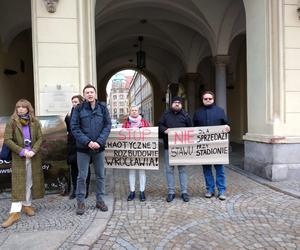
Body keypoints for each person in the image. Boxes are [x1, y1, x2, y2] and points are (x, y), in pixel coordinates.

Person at [1, 99, 44, 228]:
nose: (20, 109)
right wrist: (21, 151)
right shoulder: (12, 122)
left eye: (23, 107)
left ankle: (27, 205)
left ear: (28, 108)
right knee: (18, 184)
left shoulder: (35, 122)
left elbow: (40, 138)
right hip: (19, 157)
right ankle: (14, 213)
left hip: (33, 157)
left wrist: (34, 150)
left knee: (29, 182)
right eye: (18, 107)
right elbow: (8, 140)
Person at [71, 84, 112, 215]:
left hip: (98, 148)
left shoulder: (102, 108)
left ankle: (100, 200)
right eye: (87, 92)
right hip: (83, 148)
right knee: (82, 176)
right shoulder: (78, 109)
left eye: (91, 92)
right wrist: (88, 142)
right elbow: (74, 128)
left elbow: (107, 125)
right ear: (84, 95)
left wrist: (99, 142)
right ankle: (81, 202)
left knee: (100, 175)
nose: (89, 94)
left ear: (95, 94)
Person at [193, 90, 230, 200]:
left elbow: (226, 125)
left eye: (210, 98)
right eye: (206, 99)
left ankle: (222, 190)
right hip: (204, 147)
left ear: (213, 99)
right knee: (207, 169)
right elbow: (194, 129)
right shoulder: (197, 112)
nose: (208, 100)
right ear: (202, 100)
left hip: (217, 146)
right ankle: (210, 189)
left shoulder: (220, 111)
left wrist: (228, 128)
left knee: (220, 170)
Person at [158, 96, 192, 202]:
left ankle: (184, 192)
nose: (177, 104)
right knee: (169, 170)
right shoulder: (166, 114)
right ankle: (171, 192)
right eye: (175, 102)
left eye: (179, 102)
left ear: (181, 104)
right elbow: (159, 125)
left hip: (182, 148)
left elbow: (191, 129)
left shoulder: (186, 115)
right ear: (171, 104)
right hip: (169, 147)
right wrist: (165, 130)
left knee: (182, 170)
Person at [65, 95, 91, 199]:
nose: (74, 104)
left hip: (83, 144)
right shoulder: (69, 115)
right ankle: (75, 190)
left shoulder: (86, 113)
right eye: (73, 102)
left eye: (76, 102)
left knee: (84, 170)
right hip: (72, 145)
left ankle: (85, 190)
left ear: (81, 102)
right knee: (74, 169)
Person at [122, 106, 150, 202]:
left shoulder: (144, 122)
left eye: (136, 110)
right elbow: (121, 136)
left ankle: (142, 191)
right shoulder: (126, 124)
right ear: (130, 112)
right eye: (132, 110)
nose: (134, 112)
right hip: (130, 151)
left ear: (138, 112)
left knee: (142, 171)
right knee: (132, 171)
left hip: (142, 150)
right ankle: (132, 191)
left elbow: (150, 135)